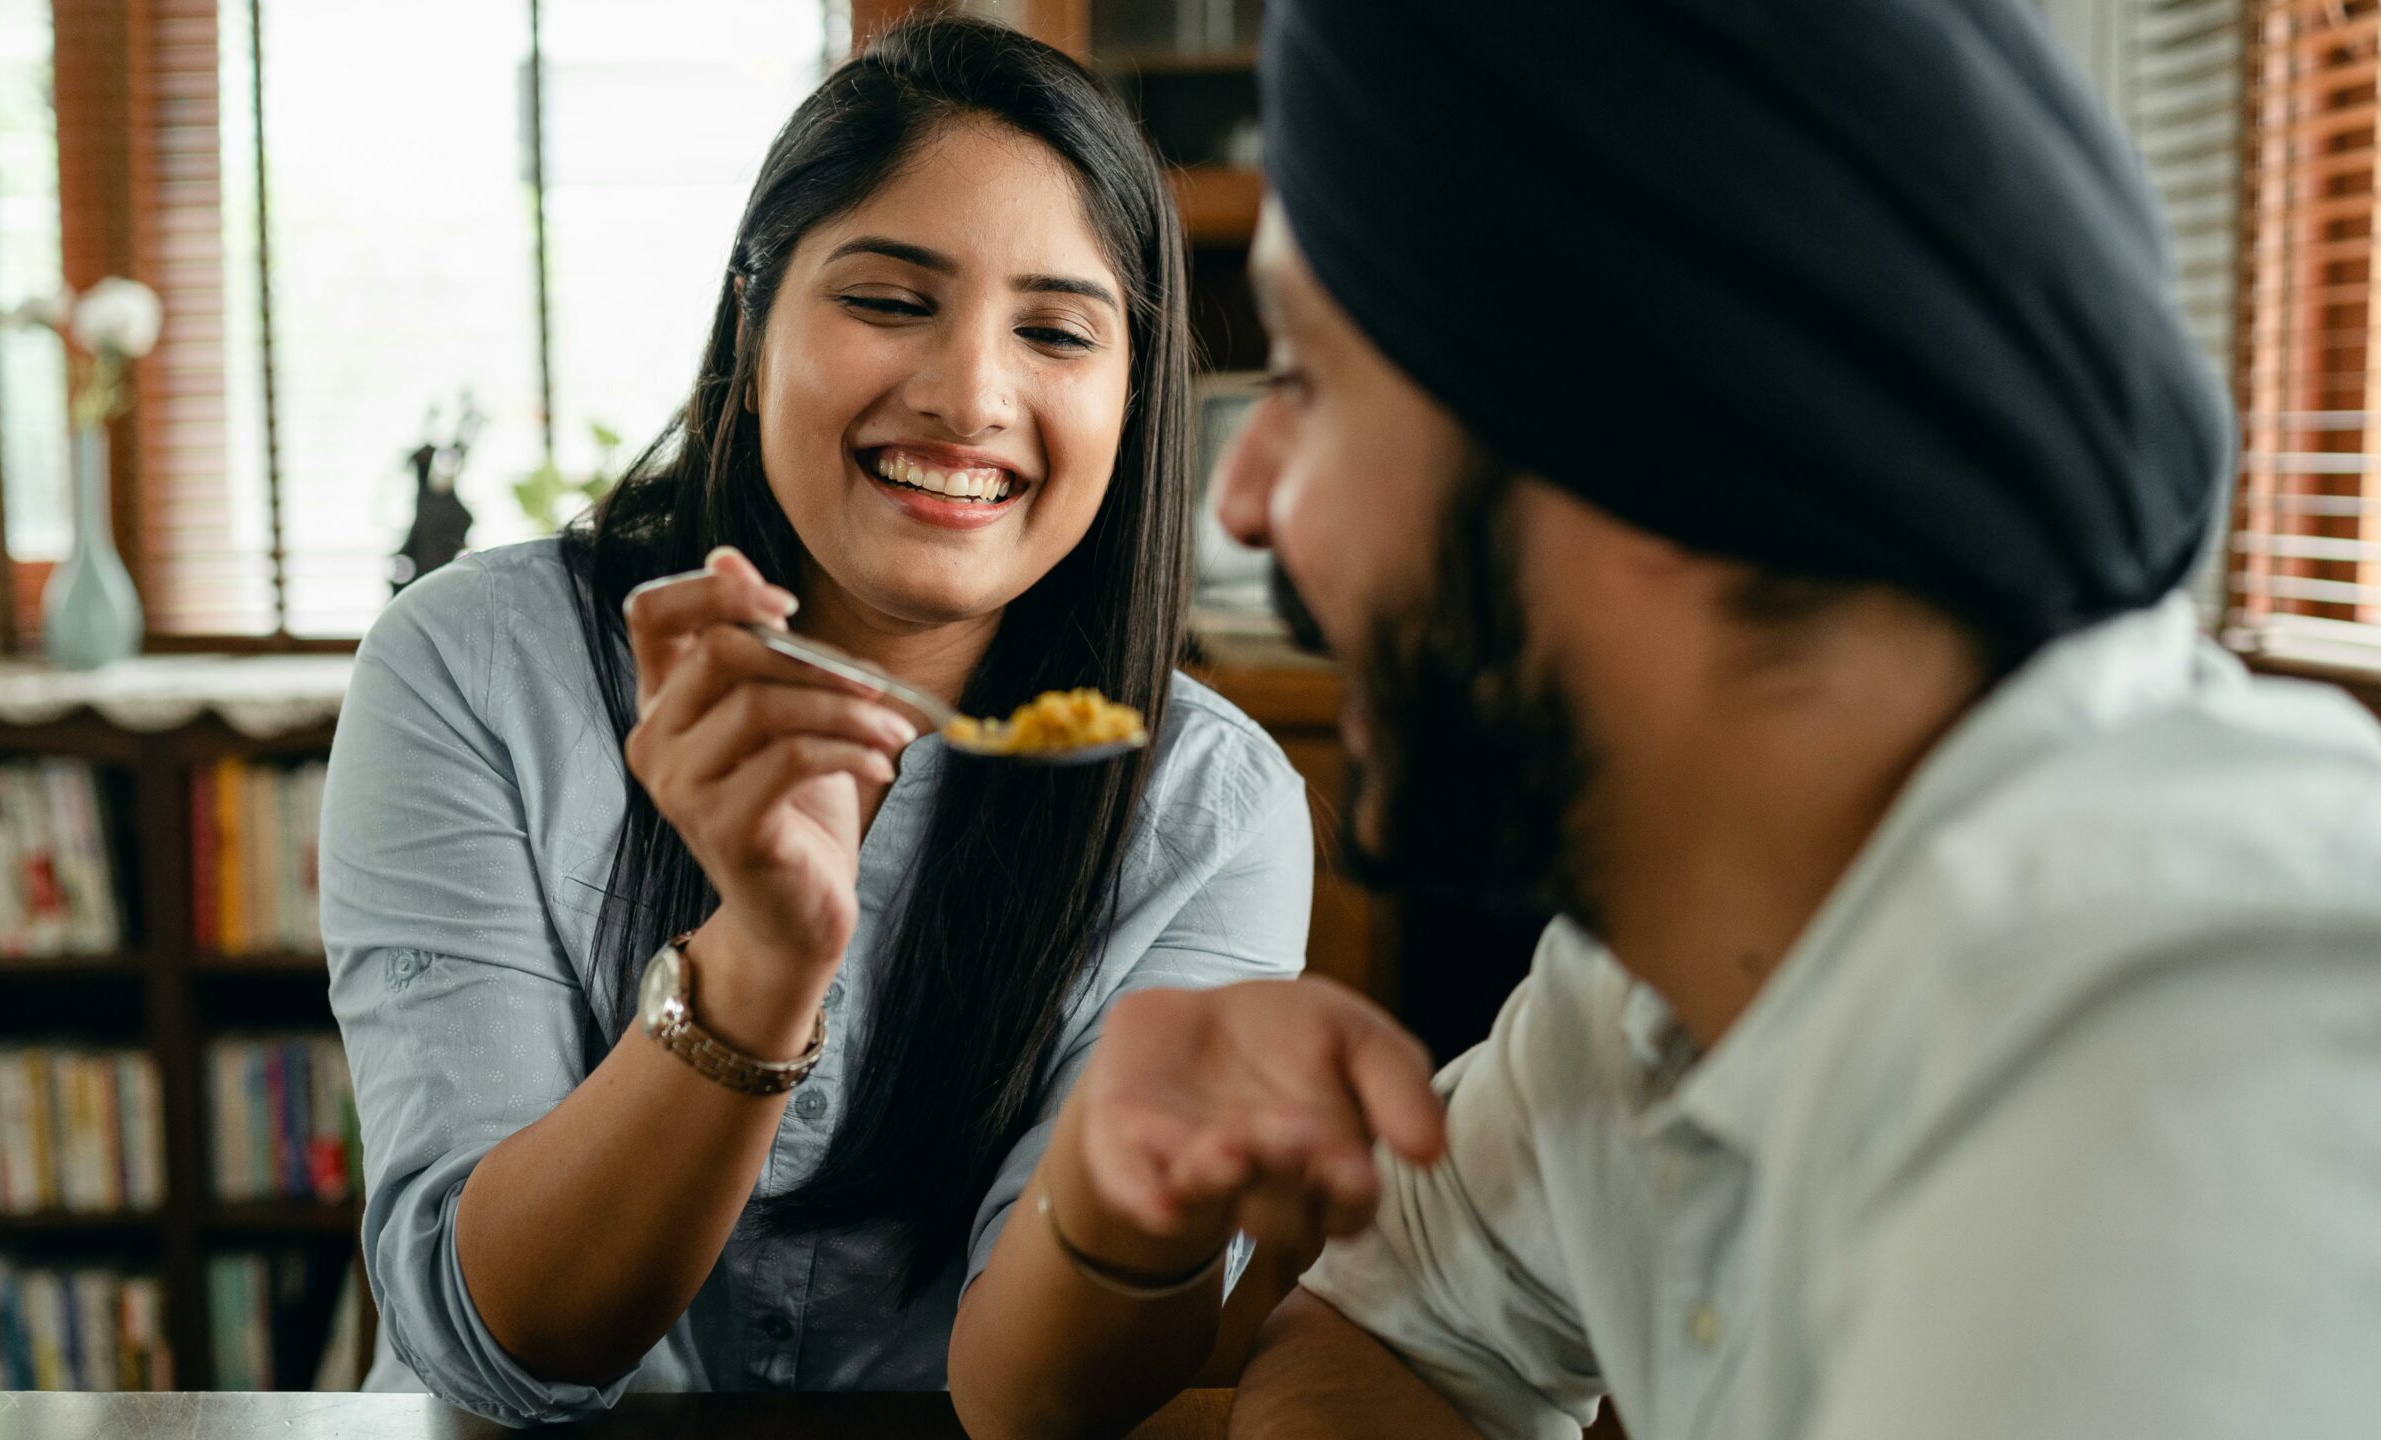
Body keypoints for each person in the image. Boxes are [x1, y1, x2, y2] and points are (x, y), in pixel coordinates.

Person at [1036, 2, 2381, 1438]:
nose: (1239, 504)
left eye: (1301, 380)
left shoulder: (2194, 1074)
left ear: (1633, 419)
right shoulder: (1652, 975)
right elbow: (1383, 1334)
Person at [319, 18, 1313, 1428]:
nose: (971, 396)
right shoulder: (475, 670)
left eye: (1054, 331)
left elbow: (1039, 1412)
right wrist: (762, 962)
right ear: (755, 311)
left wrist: (1146, 1193)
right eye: (894, 301)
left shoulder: (1211, 809)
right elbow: (505, 1346)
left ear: (1134, 388)